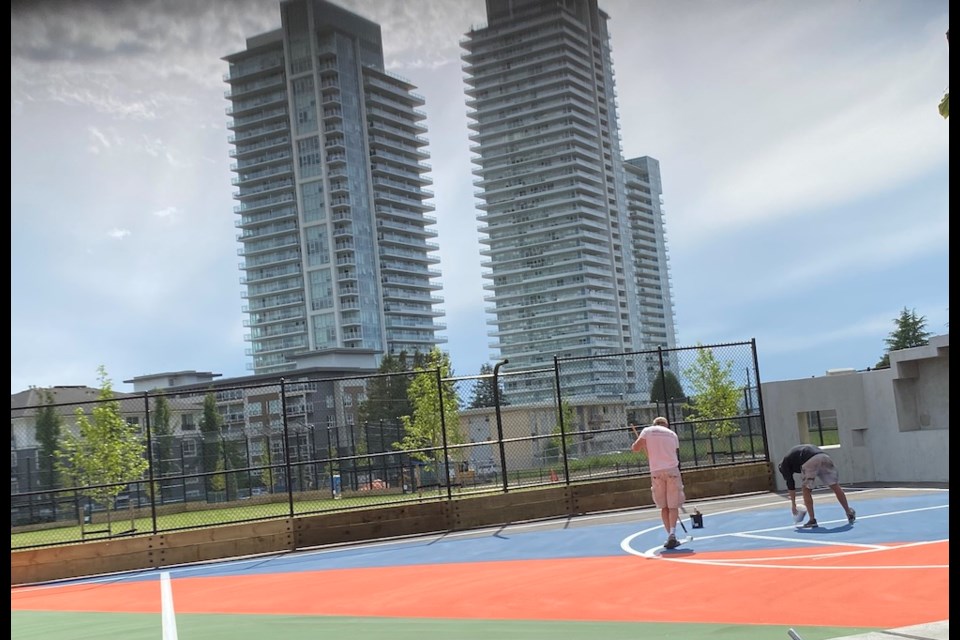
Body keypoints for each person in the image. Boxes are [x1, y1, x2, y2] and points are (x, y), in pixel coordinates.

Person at [631, 416, 685, 549]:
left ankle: (670, 535)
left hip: (656, 472)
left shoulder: (647, 431)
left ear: (654, 424)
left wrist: (642, 446)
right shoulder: (672, 434)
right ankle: (672, 533)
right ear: (665, 425)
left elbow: (636, 448)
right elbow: (673, 452)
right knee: (673, 505)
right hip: (672, 470)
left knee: (664, 506)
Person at [778, 444, 856, 528]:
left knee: (806, 489)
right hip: (824, 456)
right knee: (834, 485)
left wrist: (793, 504)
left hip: (810, 459)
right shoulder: (792, 457)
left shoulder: (784, 466)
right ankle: (849, 512)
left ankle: (812, 520)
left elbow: (790, 484)